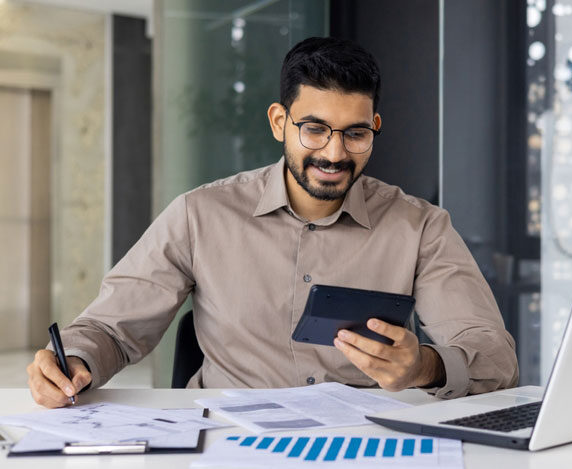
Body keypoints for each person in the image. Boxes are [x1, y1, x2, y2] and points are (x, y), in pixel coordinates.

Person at [27, 37, 518, 408]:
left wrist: (424, 366)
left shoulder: (420, 227)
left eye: (355, 134)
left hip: (363, 444)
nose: (335, 152)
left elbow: (494, 358)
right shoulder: (201, 214)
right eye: (315, 129)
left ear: (375, 129)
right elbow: (112, 328)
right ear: (280, 122)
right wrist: (75, 360)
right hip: (227, 441)